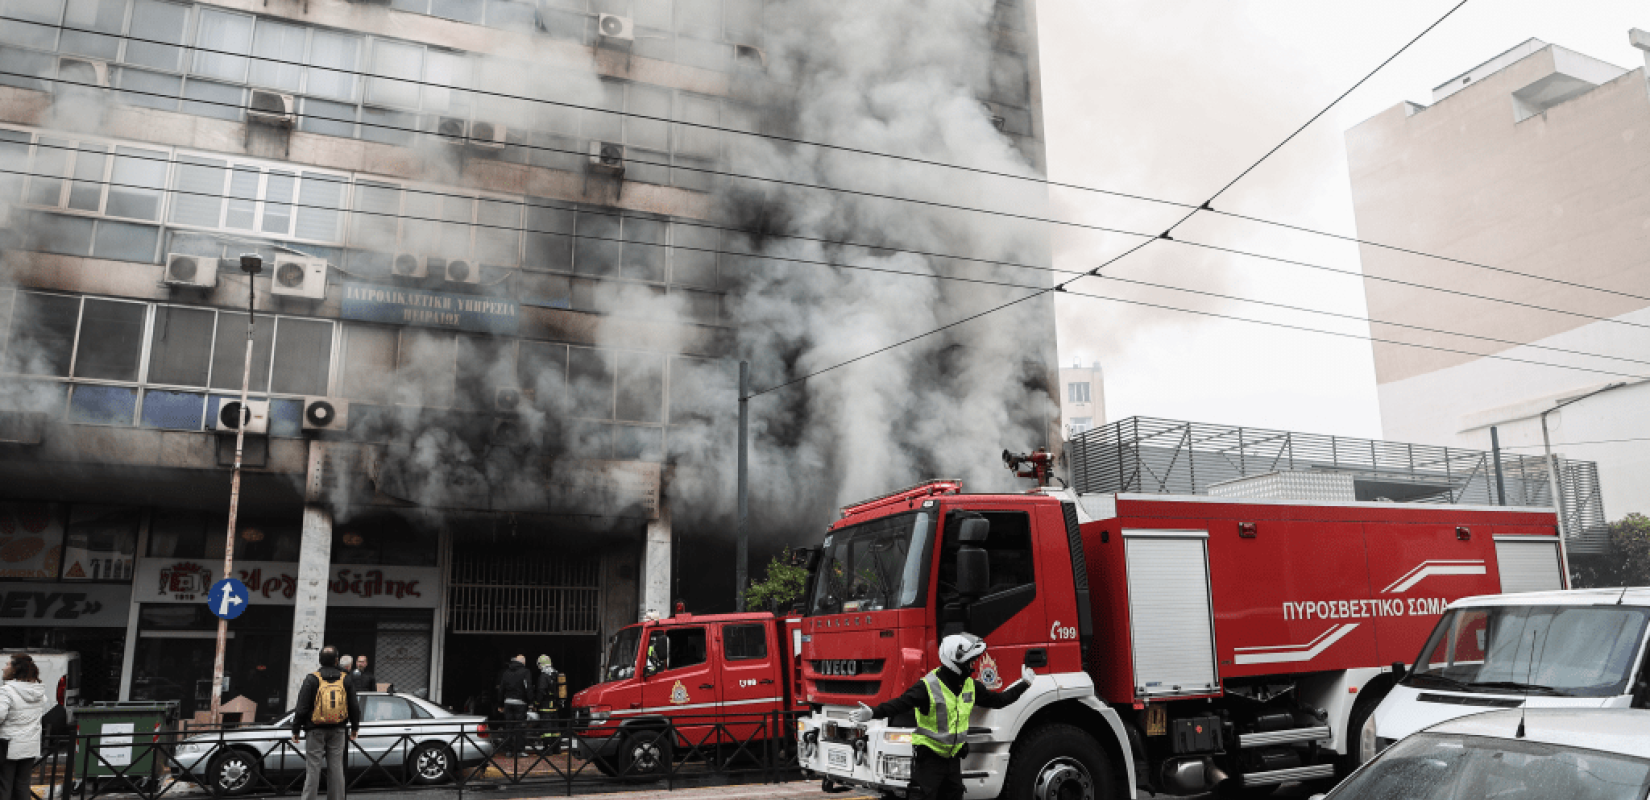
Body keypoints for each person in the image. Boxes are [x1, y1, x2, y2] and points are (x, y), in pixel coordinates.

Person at [848, 634, 1035, 800]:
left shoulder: (970, 685)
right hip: (929, 760)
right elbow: (900, 704)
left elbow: (999, 700)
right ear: (956, 660)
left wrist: (1024, 683)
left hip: (952, 759)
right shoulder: (928, 686)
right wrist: (873, 712)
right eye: (971, 660)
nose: (974, 664)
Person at [292, 647, 361, 800]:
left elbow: (302, 707)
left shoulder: (312, 678)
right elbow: (354, 706)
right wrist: (355, 727)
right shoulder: (345, 678)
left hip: (314, 729)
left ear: (320, 660)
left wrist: (295, 729)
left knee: (313, 768)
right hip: (338, 729)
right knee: (336, 768)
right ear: (336, 660)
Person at [0, 654, 51, 800]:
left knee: (4, 785)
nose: (4, 668)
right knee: (22, 785)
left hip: (8, 746)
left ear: (15, 670)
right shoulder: (38, 691)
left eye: (7, 665)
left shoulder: (7, 691)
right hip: (30, 745)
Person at [495, 655, 535, 756]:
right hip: (520, 703)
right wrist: (531, 702)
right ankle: (519, 750)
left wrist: (500, 704)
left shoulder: (506, 672)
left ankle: (508, 750)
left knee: (508, 727)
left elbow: (501, 689)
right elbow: (528, 687)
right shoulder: (526, 672)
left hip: (508, 703)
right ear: (523, 662)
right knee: (519, 727)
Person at [533, 656, 565, 753]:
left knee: (546, 729)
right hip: (555, 706)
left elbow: (541, 691)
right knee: (555, 728)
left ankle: (548, 748)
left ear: (541, 665)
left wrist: (536, 703)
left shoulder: (543, 676)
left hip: (545, 706)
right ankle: (556, 748)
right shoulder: (556, 674)